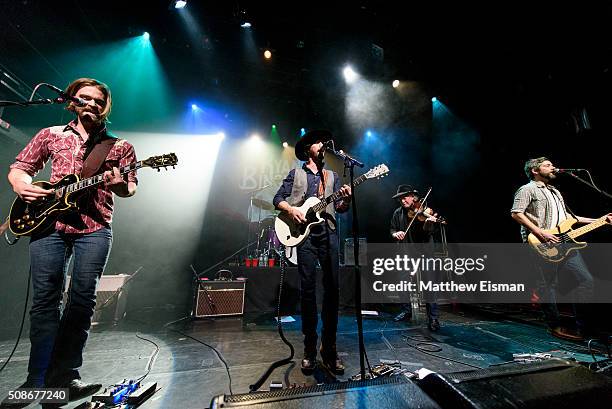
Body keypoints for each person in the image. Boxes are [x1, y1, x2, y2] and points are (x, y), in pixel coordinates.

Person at [2, 78, 138, 407]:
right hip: (48, 224)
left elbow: (131, 187)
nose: (90, 104)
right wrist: (23, 185)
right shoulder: (51, 134)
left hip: (94, 228)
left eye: (97, 100)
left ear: (105, 106)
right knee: (45, 303)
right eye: (83, 98)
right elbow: (20, 168)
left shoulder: (119, 147)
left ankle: (66, 377)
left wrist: (119, 184)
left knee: (81, 302)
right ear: (71, 101)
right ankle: (36, 380)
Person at [273, 129, 351, 375]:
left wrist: (346, 199)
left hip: (328, 234)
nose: (322, 145)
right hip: (304, 237)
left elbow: (340, 207)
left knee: (333, 292)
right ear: (308, 149)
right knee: (308, 292)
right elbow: (278, 198)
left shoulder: (332, 175)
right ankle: (309, 348)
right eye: (318, 142)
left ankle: (329, 349)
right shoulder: (296, 173)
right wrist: (291, 210)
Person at [511, 157, 611, 341]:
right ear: (535, 170)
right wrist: (541, 232)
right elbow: (516, 213)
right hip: (541, 242)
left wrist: (601, 220)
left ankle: (584, 327)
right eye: (547, 165)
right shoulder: (527, 189)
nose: (553, 167)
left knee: (585, 280)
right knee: (548, 285)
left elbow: (569, 217)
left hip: (565, 241)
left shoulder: (555, 191)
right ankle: (554, 325)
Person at [389, 184, 440, 331]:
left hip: (424, 252)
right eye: (400, 198)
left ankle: (433, 318)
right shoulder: (397, 213)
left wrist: (429, 223)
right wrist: (395, 234)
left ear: (413, 197)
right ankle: (406, 311)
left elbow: (428, 231)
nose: (402, 200)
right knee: (402, 282)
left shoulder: (423, 211)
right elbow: (392, 228)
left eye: (405, 197)